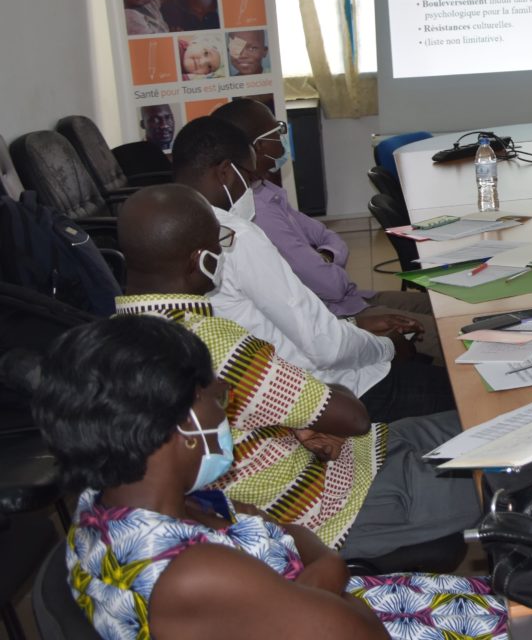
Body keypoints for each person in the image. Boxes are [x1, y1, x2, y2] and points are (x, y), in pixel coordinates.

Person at [23, 315, 507, 640]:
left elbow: (292, 537)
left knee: (521, 595)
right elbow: (359, 630)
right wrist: (326, 571)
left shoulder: (114, 499)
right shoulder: (194, 572)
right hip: (375, 620)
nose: (225, 407)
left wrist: (316, 580)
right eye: (215, 399)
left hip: (352, 601)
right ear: (182, 427)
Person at [113, 184, 479, 561]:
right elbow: (351, 416)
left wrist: (296, 418)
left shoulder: (113, 339)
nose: (223, 250)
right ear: (199, 260)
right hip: (335, 509)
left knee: (487, 426)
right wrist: (312, 410)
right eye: (219, 242)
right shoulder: (210, 339)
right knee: (512, 462)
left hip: (342, 456)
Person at [171, 116, 455, 422]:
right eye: (249, 176)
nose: (253, 188)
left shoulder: (168, 227)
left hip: (281, 389)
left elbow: (274, 321)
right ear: (225, 173)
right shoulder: (238, 236)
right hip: (333, 393)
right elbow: (326, 348)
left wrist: (352, 324)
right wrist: (389, 347)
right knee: (464, 392)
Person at [211, 99, 437, 341]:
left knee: (443, 304)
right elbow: (332, 287)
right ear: (259, 146)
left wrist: (326, 257)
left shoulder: (265, 191)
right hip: (339, 318)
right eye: (277, 131)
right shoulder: (259, 212)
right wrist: (326, 264)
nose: (282, 136)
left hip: (353, 299)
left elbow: (327, 236)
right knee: (448, 330)